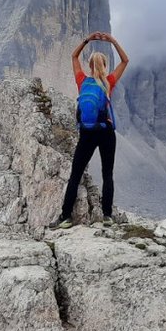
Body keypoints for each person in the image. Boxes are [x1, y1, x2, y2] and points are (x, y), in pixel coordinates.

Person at [50, 31, 129, 229]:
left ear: (91, 66)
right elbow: (125, 60)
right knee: (107, 173)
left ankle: (65, 216)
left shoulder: (82, 81)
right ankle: (107, 216)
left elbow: (74, 56)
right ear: (104, 65)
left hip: (86, 133)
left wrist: (88, 39)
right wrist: (112, 40)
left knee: (75, 174)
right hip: (106, 132)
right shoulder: (109, 82)